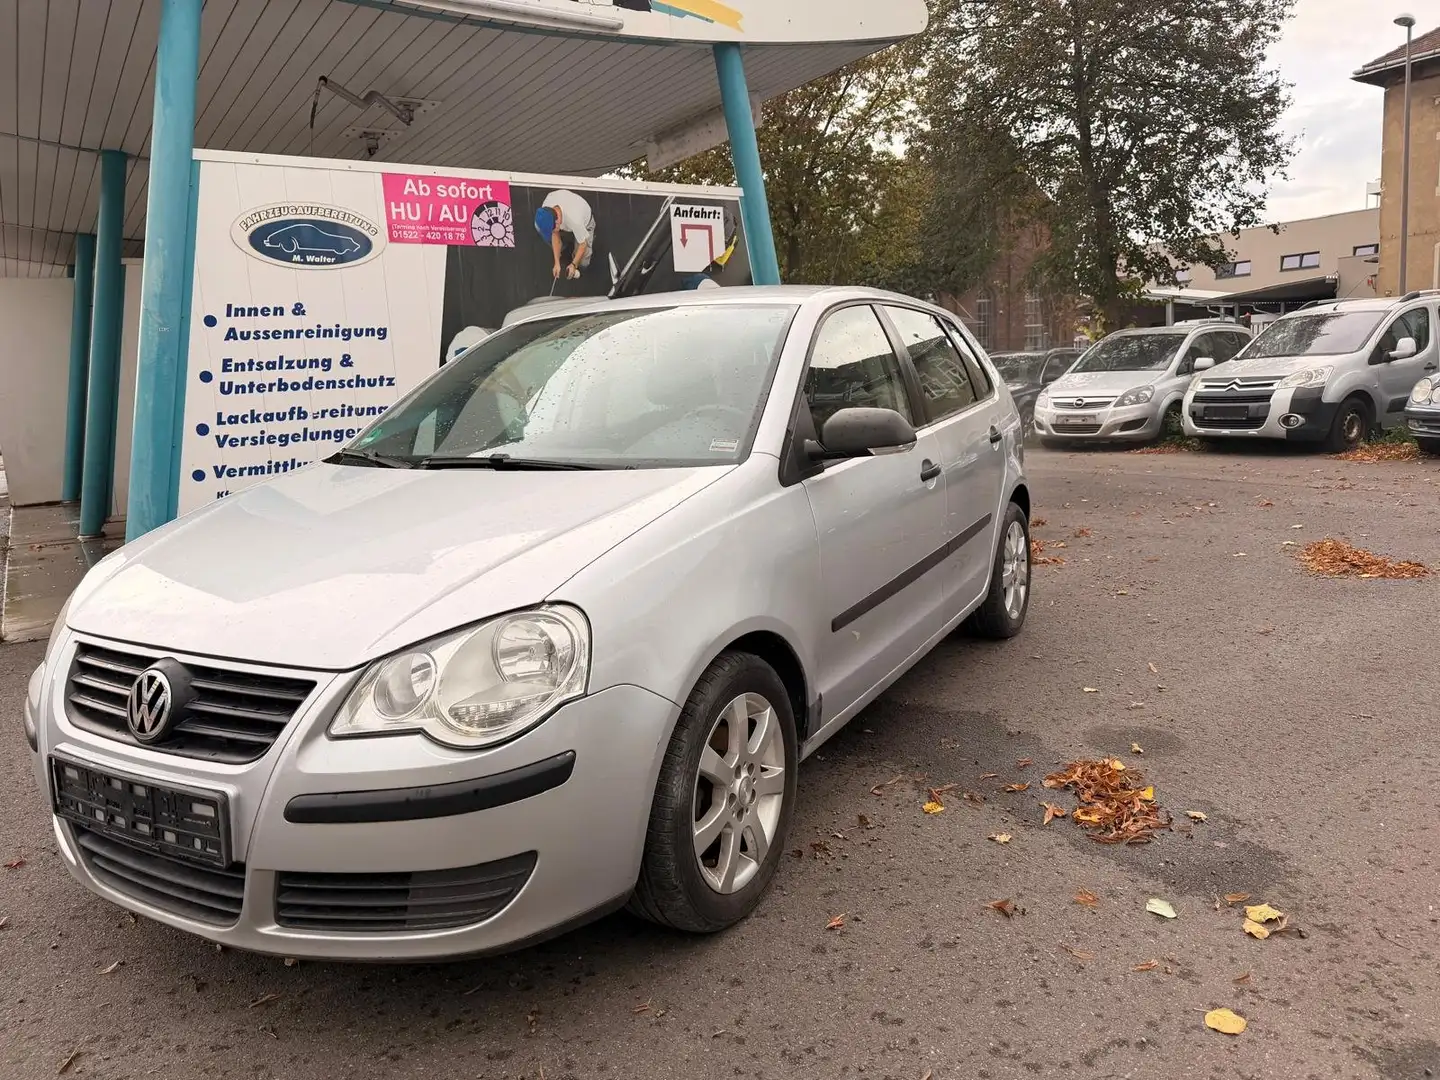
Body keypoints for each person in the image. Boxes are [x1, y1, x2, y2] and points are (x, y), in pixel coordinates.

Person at [533, 190, 597, 281]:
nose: (552, 232)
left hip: (585, 223)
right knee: (538, 227)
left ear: (557, 221)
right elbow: (555, 234)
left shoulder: (575, 220)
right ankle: (566, 247)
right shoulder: (546, 208)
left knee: (583, 262)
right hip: (566, 220)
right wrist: (557, 263)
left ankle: (581, 246)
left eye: (553, 229)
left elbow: (583, 245)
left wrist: (574, 265)